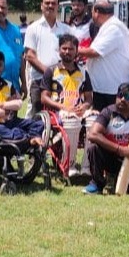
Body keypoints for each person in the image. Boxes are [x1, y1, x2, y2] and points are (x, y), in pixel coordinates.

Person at [41, 34, 96, 176]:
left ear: (76, 51)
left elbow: (89, 98)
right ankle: (69, 166)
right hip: (58, 112)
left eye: (71, 49)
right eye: (64, 48)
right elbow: (44, 98)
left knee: (94, 122)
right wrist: (63, 107)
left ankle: (86, 167)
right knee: (72, 122)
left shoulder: (83, 72)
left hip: (79, 111)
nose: (67, 52)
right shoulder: (51, 71)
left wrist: (84, 107)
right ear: (59, 50)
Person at [0, 50, 45, 145]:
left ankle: (31, 137)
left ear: (3, 67)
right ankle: (28, 139)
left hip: (8, 122)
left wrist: (0, 104)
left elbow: (18, 104)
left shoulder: (8, 85)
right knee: (13, 132)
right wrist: (6, 111)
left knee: (38, 123)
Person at [79, 0, 129, 110]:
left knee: (110, 124)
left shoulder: (113, 28)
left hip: (112, 90)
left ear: (96, 12)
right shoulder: (109, 26)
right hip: (105, 88)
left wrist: (73, 50)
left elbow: (94, 52)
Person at [24, 0, 71, 116]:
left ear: (58, 6)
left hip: (62, 81)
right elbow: (30, 56)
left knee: (60, 118)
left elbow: (71, 53)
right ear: (41, 5)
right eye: (47, 3)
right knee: (37, 119)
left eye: (53, 3)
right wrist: (50, 74)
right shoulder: (33, 28)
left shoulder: (66, 29)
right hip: (39, 81)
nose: (50, 6)